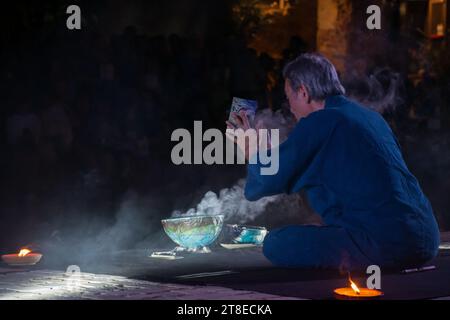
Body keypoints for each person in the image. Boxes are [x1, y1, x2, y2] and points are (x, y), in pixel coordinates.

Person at [227, 53, 440, 271]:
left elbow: (264, 181)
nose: (289, 107)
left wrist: (251, 149)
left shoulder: (321, 122)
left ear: (303, 92)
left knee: (276, 242)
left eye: (289, 97)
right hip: (426, 238)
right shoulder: (369, 117)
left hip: (388, 243)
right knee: (316, 230)